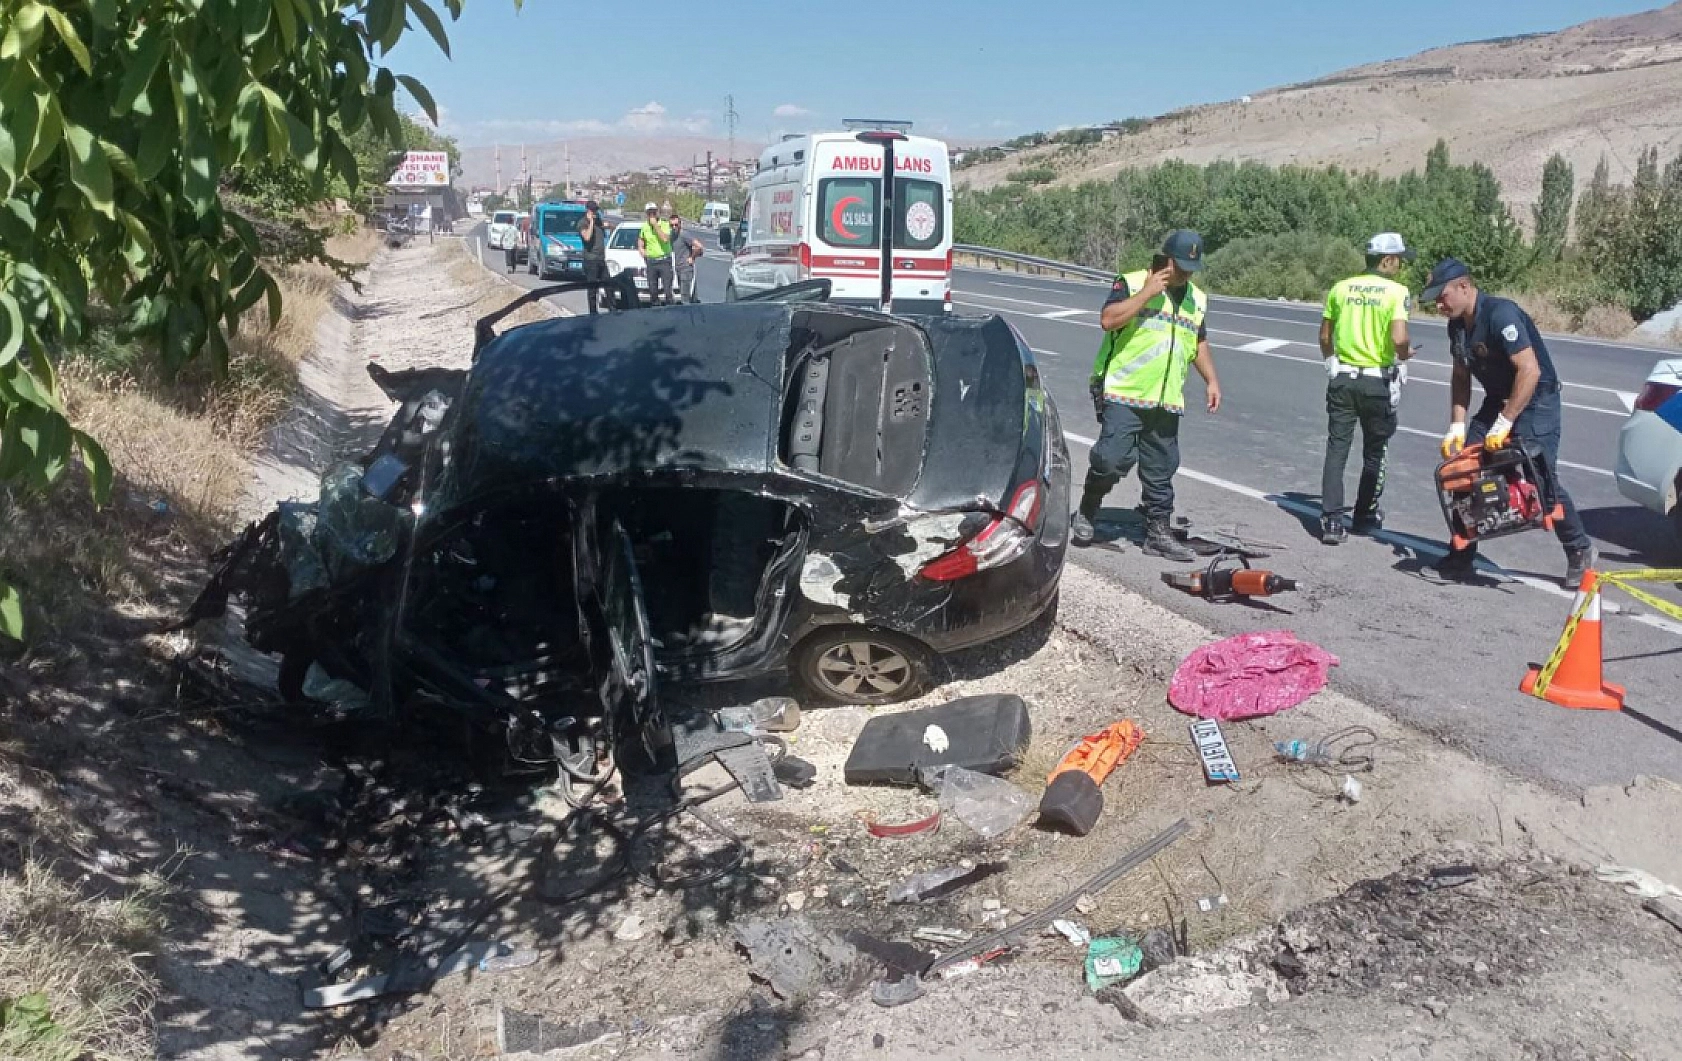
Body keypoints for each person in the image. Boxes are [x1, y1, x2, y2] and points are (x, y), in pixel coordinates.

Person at [1424, 257, 1596, 587]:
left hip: (1535, 400)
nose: (1438, 304)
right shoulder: (1457, 326)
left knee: (1540, 475)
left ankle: (1579, 549)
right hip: (1497, 399)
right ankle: (1462, 555)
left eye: (1442, 296)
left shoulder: (1501, 314)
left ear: (1464, 286)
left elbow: (1530, 371)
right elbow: (1461, 376)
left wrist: (1505, 422)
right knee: (1463, 469)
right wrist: (1457, 426)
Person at [1072, 230, 1222, 560]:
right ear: (1166, 259)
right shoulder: (1131, 282)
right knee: (1110, 460)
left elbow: (1197, 341)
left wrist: (1211, 379)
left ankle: (1158, 532)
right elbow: (1108, 320)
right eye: (1180, 266)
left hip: (1166, 398)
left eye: (1191, 268)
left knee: (1161, 467)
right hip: (1123, 390)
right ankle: (1088, 509)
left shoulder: (1197, 298)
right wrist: (1148, 292)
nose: (1186, 273)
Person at [1316, 233, 1417, 544]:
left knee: (1337, 448)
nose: (1400, 265)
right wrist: (1403, 358)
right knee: (1375, 451)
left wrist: (1332, 359)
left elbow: (1324, 336)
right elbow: (1399, 338)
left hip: (1343, 378)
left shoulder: (1340, 288)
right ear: (1386, 260)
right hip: (1376, 381)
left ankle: (1332, 521)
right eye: (1398, 259)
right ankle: (1364, 514)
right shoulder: (1397, 292)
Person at [637, 202, 675, 306]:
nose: (652, 215)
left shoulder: (664, 224)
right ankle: (655, 308)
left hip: (664, 260)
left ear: (657, 212)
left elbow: (665, 239)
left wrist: (655, 225)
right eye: (649, 213)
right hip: (651, 261)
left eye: (654, 212)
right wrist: (641, 249)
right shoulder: (645, 226)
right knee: (653, 290)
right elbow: (641, 239)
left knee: (667, 290)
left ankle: (670, 308)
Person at [579, 200, 610, 314]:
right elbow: (587, 237)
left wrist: (606, 225)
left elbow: (607, 227)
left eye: (596, 210)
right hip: (591, 260)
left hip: (601, 259)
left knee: (608, 285)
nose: (596, 212)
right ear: (589, 211)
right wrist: (591, 222)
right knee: (592, 289)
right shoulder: (583, 223)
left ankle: (612, 310)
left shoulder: (599, 221)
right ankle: (593, 312)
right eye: (594, 210)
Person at [669, 215, 704, 304]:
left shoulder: (684, 234)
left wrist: (692, 257)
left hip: (686, 269)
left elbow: (699, 246)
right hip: (678, 268)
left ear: (680, 224)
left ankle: (687, 314)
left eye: (676, 225)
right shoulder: (672, 236)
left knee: (685, 297)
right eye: (671, 225)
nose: (674, 227)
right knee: (682, 294)